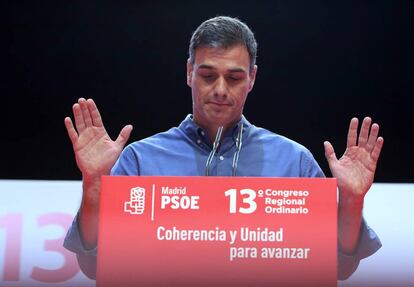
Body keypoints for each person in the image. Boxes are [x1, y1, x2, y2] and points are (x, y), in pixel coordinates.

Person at [63, 16, 384, 281]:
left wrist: (352, 200)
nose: (219, 90)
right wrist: (94, 181)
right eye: (207, 75)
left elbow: (340, 266)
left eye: (233, 78)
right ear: (189, 72)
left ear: (252, 78)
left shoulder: (294, 162)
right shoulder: (141, 159)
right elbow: (94, 264)